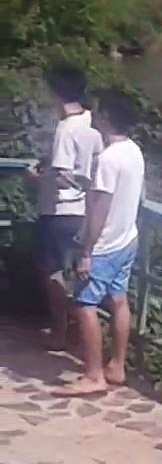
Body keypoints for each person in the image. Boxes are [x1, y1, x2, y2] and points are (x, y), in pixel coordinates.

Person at [55, 90, 143, 396]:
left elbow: (99, 210)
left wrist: (86, 253)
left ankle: (93, 374)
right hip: (127, 238)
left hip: (104, 244)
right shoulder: (134, 151)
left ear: (106, 118)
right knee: (119, 300)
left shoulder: (107, 159)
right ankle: (117, 366)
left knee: (84, 304)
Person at [25, 65, 102, 351]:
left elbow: (60, 176)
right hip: (85, 211)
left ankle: (60, 331)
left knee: (52, 271)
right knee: (80, 274)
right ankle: (80, 333)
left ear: (55, 93)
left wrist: (36, 176)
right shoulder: (93, 122)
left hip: (59, 210)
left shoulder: (65, 129)